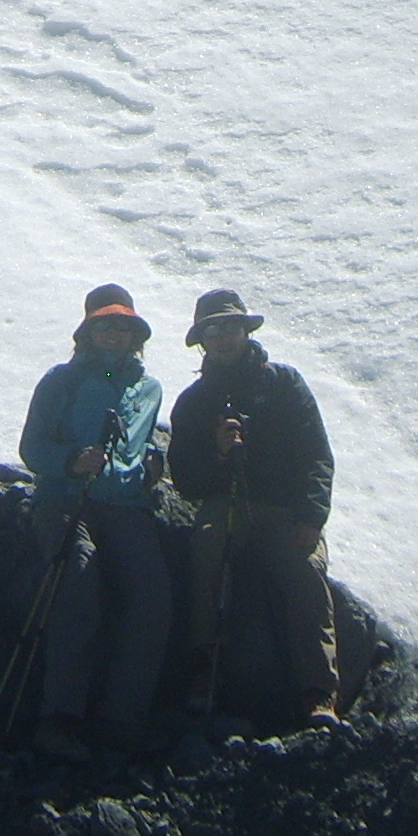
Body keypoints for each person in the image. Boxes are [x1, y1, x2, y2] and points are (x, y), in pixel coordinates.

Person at [13, 282, 172, 756]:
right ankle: (59, 718)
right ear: (88, 331)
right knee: (76, 582)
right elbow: (31, 448)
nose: (115, 332)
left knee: (153, 596)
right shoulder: (60, 381)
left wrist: (154, 462)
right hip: (66, 498)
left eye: (123, 325)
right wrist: (70, 462)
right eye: (106, 324)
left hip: (127, 505)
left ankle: (123, 720)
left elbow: (143, 440)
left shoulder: (149, 388)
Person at [167, 287, 338, 725]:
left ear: (246, 331)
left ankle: (319, 693)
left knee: (305, 572)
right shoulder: (192, 402)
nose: (224, 337)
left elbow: (316, 454)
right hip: (224, 506)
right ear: (202, 340)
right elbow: (186, 480)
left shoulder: (284, 383)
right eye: (213, 329)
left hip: (285, 510)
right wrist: (219, 454)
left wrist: (312, 516)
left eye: (231, 327)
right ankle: (205, 669)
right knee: (207, 550)